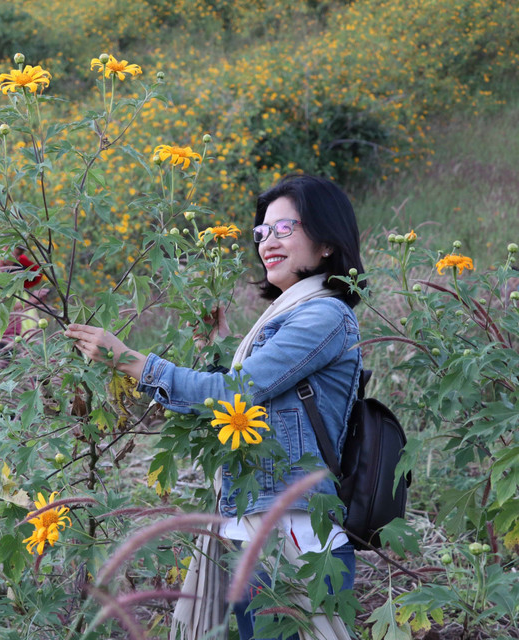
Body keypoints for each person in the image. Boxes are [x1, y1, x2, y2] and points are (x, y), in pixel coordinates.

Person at [65, 174, 365, 640]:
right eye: (262, 231)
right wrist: (217, 348)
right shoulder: (287, 315)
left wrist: (129, 361)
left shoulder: (324, 315)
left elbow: (233, 396)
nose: (268, 242)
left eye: (285, 228)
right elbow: (253, 405)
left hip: (296, 539)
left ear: (327, 242)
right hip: (254, 532)